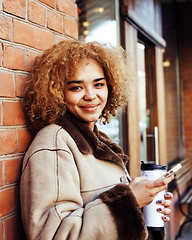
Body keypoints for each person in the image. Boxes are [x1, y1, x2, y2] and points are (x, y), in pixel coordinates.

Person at [20, 39, 174, 240]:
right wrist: (131, 200)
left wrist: (145, 207)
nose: (91, 95)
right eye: (76, 87)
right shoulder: (55, 144)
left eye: (98, 84)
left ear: (110, 88)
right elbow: (53, 235)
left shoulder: (98, 140)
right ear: (58, 93)